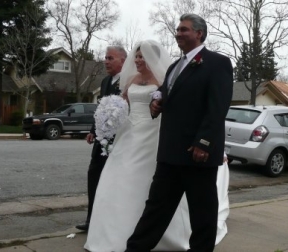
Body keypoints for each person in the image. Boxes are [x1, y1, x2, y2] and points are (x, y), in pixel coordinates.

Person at [83, 40, 230, 251]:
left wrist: (210, 143)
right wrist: (110, 115)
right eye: (137, 56)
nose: (138, 59)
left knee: (158, 191)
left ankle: (160, 236)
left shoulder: (166, 77)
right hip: (130, 134)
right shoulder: (132, 79)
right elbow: (124, 104)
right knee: (118, 181)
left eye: (143, 56)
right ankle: (113, 234)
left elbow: (188, 110)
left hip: (155, 136)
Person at [126, 14, 233, 252]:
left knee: (202, 216)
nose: (178, 33)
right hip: (170, 154)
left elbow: (217, 108)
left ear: (199, 33)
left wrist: (204, 143)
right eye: (177, 29)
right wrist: (157, 100)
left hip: (198, 155)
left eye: (184, 29)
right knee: (155, 209)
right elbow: (167, 91)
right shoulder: (176, 66)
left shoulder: (218, 63)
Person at [75, 45, 127, 231]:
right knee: (94, 176)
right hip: (101, 141)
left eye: (110, 58)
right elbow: (101, 109)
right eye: (105, 57)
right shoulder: (105, 81)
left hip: (121, 141)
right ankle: (92, 221)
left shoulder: (129, 81)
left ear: (123, 60)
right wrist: (92, 130)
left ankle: (111, 221)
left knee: (114, 181)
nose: (106, 61)